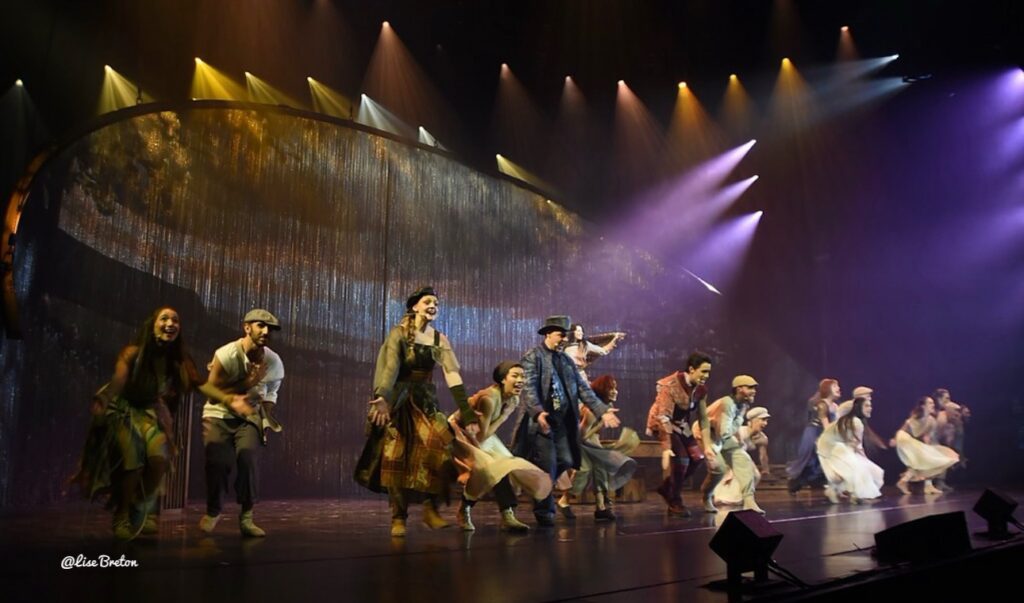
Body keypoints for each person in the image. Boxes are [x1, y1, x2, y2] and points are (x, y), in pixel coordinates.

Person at [72, 307, 245, 540]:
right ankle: (121, 515)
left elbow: (199, 383)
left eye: (175, 320)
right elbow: (119, 379)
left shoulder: (178, 359)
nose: (170, 323)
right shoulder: (133, 353)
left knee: (159, 460)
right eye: (164, 319)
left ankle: (140, 505)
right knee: (132, 461)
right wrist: (104, 397)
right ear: (152, 326)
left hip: (150, 412)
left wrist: (228, 399)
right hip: (123, 410)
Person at [354, 286, 479, 537]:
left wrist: (467, 412)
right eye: (427, 302)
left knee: (442, 449)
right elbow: (390, 367)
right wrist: (382, 397)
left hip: (425, 401)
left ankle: (430, 507)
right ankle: (398, 517)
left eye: (436, 303)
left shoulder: (439, 339)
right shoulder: (399, 334)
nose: (433, 306)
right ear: (414, 307)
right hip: (399, 400)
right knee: (395, 457)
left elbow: (452, 375)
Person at [512, 315, 621, 527]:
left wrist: (602, 410)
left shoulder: (566, 361)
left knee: (568, 460)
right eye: (560, 335)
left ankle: (540, 487)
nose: (564, 339)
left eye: (565, 336)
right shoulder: (533, 357)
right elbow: (529, 388)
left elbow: (582, 388)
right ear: (548, 334)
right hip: (542, 421)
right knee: (549, 463)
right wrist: (538, 412)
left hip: (561, 422)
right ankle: (545, 510)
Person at [199, 309, 285, 537]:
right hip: (218, 413)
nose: (266, 332)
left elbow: (271, 393)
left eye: (270, 329)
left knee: (248, 458)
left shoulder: (273, 361)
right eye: (260, 326)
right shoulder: (227, 354)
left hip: (249, 416)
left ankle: (247, 517)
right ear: (247, 328)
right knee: (218, 462)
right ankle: (213, 510)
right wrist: (247, 382)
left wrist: (266, 418)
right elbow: (211, 393)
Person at [449, 361, 551, 532]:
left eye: (523, 376)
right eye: (515, 376)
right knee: (487, 470)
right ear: (503, 379)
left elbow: (484, 433)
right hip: (459, 433)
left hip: (479, 434)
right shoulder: (489, 399)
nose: (520, 380)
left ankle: (507, 513)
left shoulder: (513, 398)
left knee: (503, 467)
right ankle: (464, 509)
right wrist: (505, 415)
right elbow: (481, 436)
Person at [556, 374, 639, 522]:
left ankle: (601, 507)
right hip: (581, 441)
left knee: (601, 470)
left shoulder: (608, 407)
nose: (615, 392)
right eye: (611, 388)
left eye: (615, 388)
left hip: (592, 440)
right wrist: (600, 448)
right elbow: (581, 435)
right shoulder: (591, 411)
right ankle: (564, 501)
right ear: (602, 390)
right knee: (583, 471)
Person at [646, 352, 713, 517]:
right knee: (682, 459)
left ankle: (668, 487)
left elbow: (703, 418)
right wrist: (666, 447)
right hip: (662, 424)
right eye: (703, 371)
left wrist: (708, 446)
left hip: (681, 425)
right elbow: (663, 417)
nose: (706, 376)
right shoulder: (670, 385)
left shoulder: (700, 390)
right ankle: (675, 500)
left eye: (708, 372)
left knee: (698, 458)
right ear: (691, 369)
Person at [698, 375, 765, 514]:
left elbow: (729, 431)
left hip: (723, 436)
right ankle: (707, 496)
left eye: (754, 388)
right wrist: (739, 419)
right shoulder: (727, 403)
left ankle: (749, 501)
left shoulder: (743, 405)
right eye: (750, 388)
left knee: (744, 461)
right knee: (719, 469)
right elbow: (725, 431)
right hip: (707, 435)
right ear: (739, 389)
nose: (754, 391)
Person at [816, 396, 884, 503]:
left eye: (870, 406)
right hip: (830, 446)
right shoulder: (856, 422)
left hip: (827, 445)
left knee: (850, 470)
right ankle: (856, 495)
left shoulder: (851, 419)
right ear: (859, 407)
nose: (870, 408)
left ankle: (834, 490)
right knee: (857, 467)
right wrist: (864, 460)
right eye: (866, 406)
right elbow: (856, 446)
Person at [892, 396, 959, 494]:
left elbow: (927, 437)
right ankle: (906, 482)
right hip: (904, 439)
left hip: (912, 442)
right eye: (930, 403)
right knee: (920, 461)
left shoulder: (931, 420)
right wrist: (894, 439)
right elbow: (904, 428)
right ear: (923, 406)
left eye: (933, 403)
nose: (933, 405)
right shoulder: (916, 416)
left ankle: (922, 485)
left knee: (923, 461)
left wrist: (929, 450)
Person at [786, 378, 840, 494]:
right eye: (835, 386)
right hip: (815, 431)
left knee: (822, 459)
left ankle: (816, 481)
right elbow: (826, 425)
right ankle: (796, 482)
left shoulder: (835, 406)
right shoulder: (822, 404)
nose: (838, 388)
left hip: (825, 432)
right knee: (810, 457)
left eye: (838, 386)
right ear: (827, 389)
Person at [712, 407, 770, 507]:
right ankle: (722, 497)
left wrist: (765, 469)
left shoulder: (762, 438)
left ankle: (739, 497)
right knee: (736, 473)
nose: (765, 423)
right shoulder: (740, 432)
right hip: (726, 454)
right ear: (752, 421)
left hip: (740, 457)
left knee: (756, 475)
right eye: (762, 420)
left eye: (766, 420)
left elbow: (763, 455)